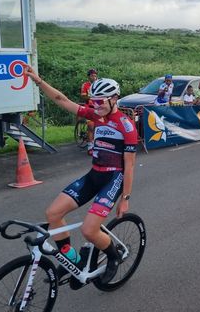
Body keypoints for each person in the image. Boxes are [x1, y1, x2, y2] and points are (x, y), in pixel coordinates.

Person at [25, 66, 138, 284]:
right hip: (94, 174)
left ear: (115, 99)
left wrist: (125, 199)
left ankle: (113, 257)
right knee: (53, 214)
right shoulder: (95, 114)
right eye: (93, 101)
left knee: (88, 230)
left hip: (114, 179)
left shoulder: (126, 126)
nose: (95, 106)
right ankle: (72, 261)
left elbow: (130, 166)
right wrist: (38, 80)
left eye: (100, 101)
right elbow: (61, 99)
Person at [80, 69, 98, 154]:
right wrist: (91, 96)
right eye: (92, 76)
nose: (94, 77)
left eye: (95, 75)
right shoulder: (85, 85)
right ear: (89, 76)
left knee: (98, 126)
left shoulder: (99, 84)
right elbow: (83, 96)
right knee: (91, 126)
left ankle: (97, 144)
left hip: (98, 108)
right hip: (89, 108)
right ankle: (90, 147)